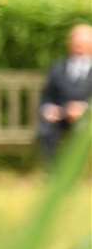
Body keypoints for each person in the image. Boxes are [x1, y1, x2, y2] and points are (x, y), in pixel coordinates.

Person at [38, 22, 92, 165]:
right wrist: (48, 109)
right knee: (45, 131)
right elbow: (47, 97)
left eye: (83, 44)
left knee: (83, 131)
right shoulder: (58, 67)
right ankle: (53, 172)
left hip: (88, 119)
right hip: (61, 118)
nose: (78, 48)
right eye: (76, 44)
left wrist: (85, 109)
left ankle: (77, 172)